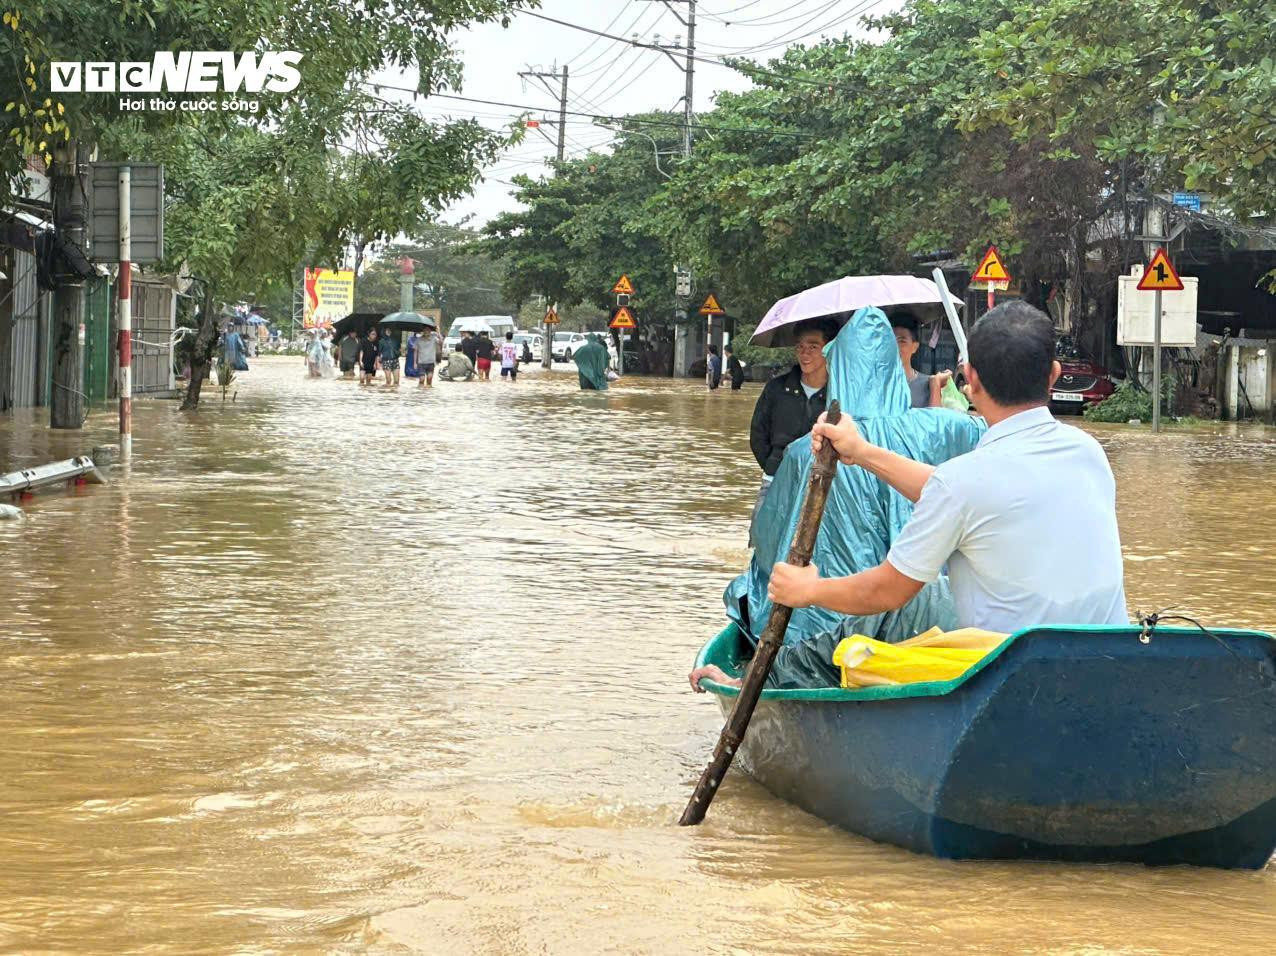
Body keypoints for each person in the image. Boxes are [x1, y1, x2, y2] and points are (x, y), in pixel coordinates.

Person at [691, 301, 1127, 691]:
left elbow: (887, 591)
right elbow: (955, 488)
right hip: (1099, 661)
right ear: (1053, 375)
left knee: (870, 624)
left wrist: (810, 589)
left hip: (1010, 673)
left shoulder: (815, 447)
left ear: (969, 380)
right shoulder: (1087, 452)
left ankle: (755, 682)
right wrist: (861, 452)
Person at [747, 318, 838, 543]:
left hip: (821, 484)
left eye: (813, 347)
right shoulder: (777, 388)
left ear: (828, 349)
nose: (805, 353)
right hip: (775, 479)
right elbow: (758, 434)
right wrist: (775, 464)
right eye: (800, 347)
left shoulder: (838, 394)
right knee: (762, 540)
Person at [892, 312, 952, 408]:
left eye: (901, 341)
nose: (894, 346)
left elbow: (936, 421)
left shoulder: (927, 384)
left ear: (915, 347)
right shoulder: (877, 386)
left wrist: (935, 385)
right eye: (890, 340)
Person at [414, 320, 443, 388]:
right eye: (425, 330)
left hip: (431, 362)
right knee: (422, 379)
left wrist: (438, 332)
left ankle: (427, 395)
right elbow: (415, 351)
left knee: (429, 379)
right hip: (421, 363)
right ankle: (420, 393)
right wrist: (414, 363)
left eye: (428, 330)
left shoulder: (434, 338)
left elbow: (441, 342)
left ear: (430, 331)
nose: (426, 331)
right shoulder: (418, 340)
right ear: (423, 331)